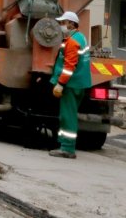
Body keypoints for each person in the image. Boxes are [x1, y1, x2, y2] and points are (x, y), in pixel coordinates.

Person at [49, 11, 91, 159]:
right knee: (68, 114)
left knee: (68, 116)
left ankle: (67, 148)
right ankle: (63, 144)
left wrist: (60, 83)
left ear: (72, 24)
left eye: (63, 23)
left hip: (71, 84)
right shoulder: (79, 37)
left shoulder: (72, 42)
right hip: (78, 83)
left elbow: (69, 66)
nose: (61, 26)